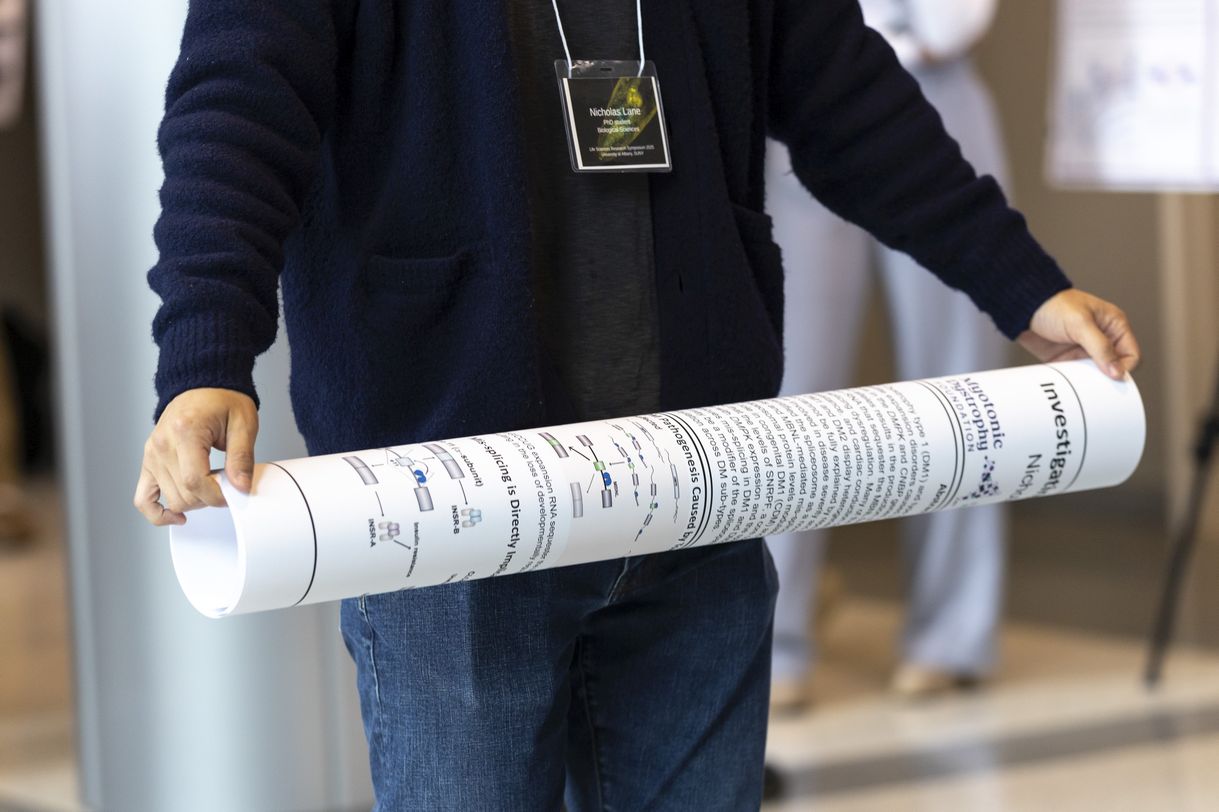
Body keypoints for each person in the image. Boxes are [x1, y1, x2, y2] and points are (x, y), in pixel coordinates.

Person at [134, 1, 1140, 808]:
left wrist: (1020, 283)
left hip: (693, 495)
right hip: (453, 509)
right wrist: (205, 355)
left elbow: (846, 95)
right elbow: (236, 114)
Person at [766, 0, 1014, 709]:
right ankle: (776, 639)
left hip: (932, 92)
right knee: (790, 384)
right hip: (800, 102)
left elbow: (950, 25)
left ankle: (953, 633)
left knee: (961, 387)